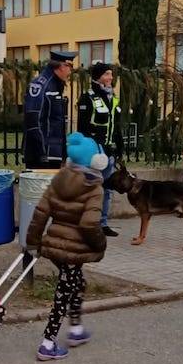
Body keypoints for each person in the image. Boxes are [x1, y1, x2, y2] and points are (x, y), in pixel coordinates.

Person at [26, 132, 108, 361]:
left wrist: (33, 243)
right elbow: (90, 223)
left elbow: (40, 214)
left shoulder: (59, 179)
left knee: (78, 283)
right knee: (63, 293)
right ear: (96, 161)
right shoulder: (94, 187)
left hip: (55, 247)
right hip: (73, 251)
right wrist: (100, 245)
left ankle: (76, 330)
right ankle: (47, 344)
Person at [77, 61, 124, 237]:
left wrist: (119, 149)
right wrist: (90, 149)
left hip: (109, 152)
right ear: (98, 77)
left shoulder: (114, 98)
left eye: (111, 75)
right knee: (91, 188)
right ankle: (87, 222)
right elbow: (82, 129)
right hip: (94, 153)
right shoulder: (87, 97)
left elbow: (117, 127)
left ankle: (102, 224)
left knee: (107, 190)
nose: (110, 78)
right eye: (106, 74)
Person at [23, 50, 78, 169]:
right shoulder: (40, 85)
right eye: (70, 67)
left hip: (53, 153)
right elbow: (33, 121)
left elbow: (57, 122)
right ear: (62, 66)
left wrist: (62, 153)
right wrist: (42, 152)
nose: (70, 71)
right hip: (41, 155)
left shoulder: (56, 85)